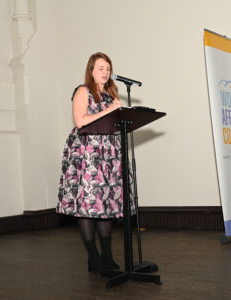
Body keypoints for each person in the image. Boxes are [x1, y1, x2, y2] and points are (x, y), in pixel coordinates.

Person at [57, 52, 134, 273]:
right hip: (87, 154)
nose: (105, 72)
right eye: (100, 68)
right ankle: (93, 257)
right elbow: (80, 121)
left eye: (108, 69)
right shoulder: (83, 91)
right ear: (91, 70)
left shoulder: (111, 95)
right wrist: (110, 111)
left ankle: (107, 257)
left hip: (108, 154)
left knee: (105, 204)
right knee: (88, 204)